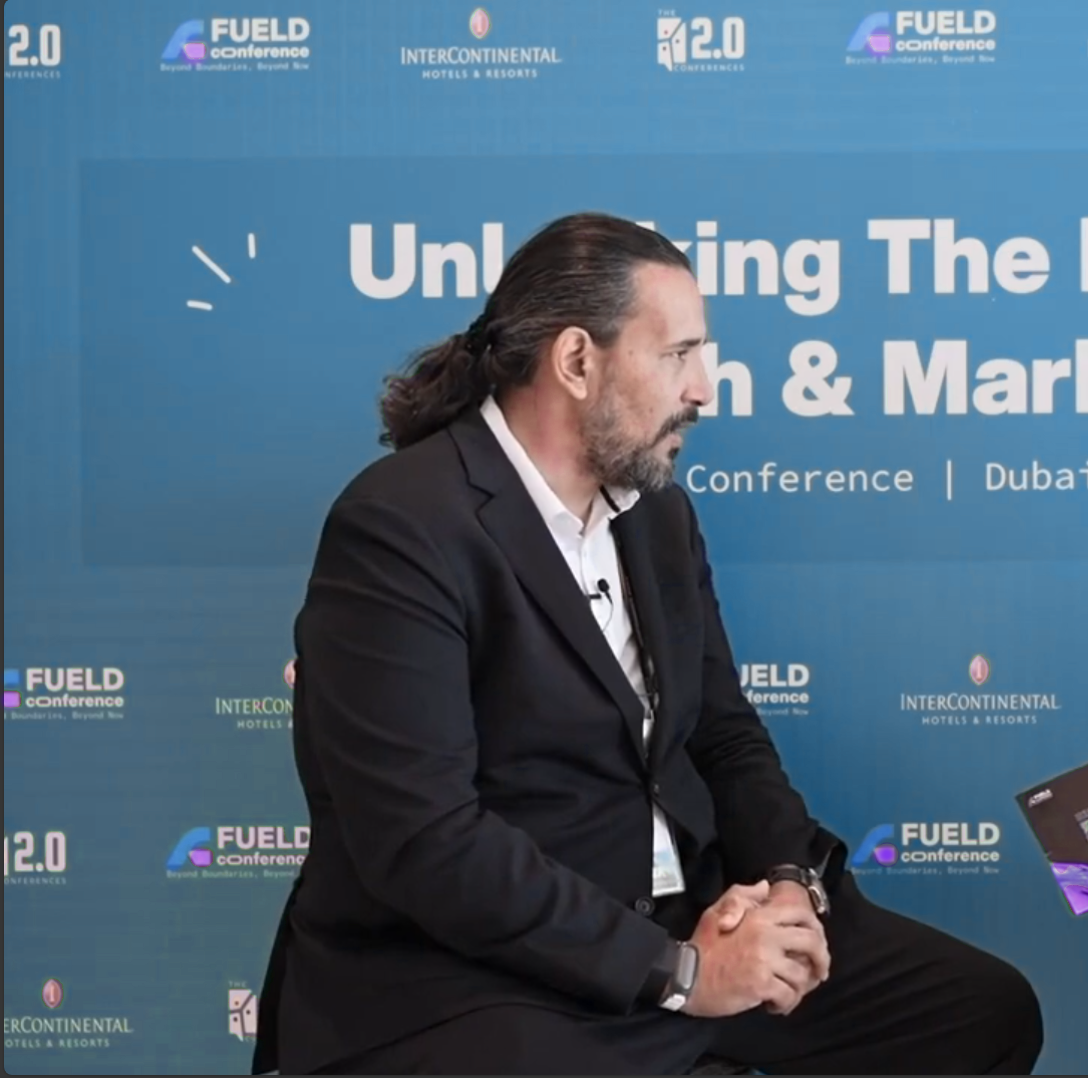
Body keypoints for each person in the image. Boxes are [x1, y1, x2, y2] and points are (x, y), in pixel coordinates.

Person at [252, 212, 1044, 1076]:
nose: (702, 388)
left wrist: (788, 884)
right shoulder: (403, 526)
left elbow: (723, 734)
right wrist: (680, 973)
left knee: (980, 1012)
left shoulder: (657, 512)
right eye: (677, 355)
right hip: (486, 971)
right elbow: (428, 843)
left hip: (692, 922)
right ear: (577, 362)